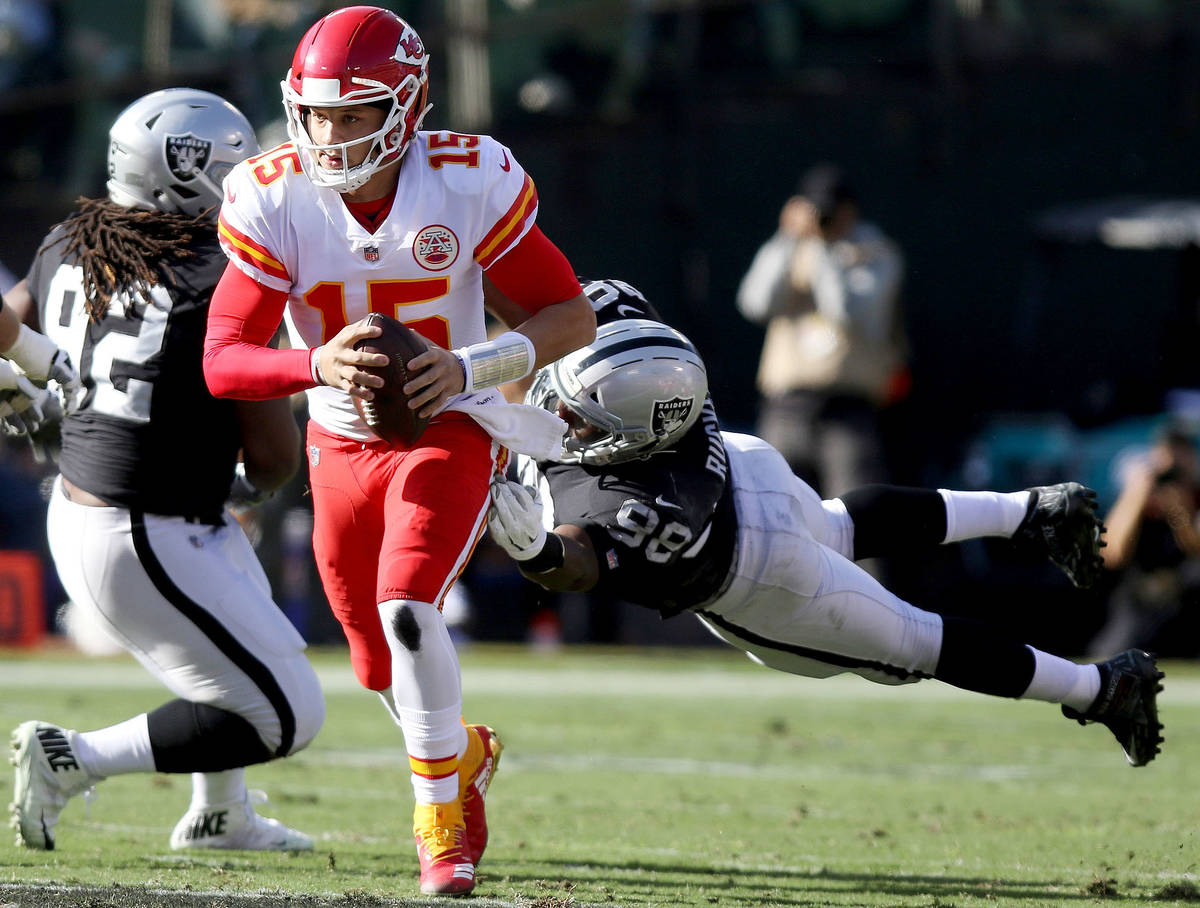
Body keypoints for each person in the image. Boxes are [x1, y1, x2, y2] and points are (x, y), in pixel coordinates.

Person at [201, 7, 596, 895]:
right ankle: (463, 758)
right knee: (374, 657)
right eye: (316, 113)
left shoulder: (466, 178)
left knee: (407, 604)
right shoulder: (274, 192)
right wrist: (315, 363)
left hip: (448, 423)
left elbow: (569, 316)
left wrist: (466, 367)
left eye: (353, 114)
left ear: (408, 105)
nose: (329, 135)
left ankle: (437, 826)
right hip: (338, 437)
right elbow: (223, 361)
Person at [488, 277, 1164, 771]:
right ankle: (1034, 512)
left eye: (581, 418)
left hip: (757, 573)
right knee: (840, 525)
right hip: (754, 472)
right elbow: (541, 293)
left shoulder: (644, 497)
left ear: (629, 437)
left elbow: (579, 564)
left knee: (912, 645)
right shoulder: (625, 332)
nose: (561, 417)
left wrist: (539, 552)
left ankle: (1103, 688)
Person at [6, 88, 324, 853]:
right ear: (188, 174)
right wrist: (255, 481)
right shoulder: (219, 277)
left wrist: (22, 378)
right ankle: (72, 758)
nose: (259, 180)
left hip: (99, 509)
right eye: (237, 166)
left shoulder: (68, 240)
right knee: (285, 713)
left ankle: (222, 814)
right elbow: (274, 458)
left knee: (237, 663)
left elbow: (10, 320)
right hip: (143, 530)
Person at [736, 163, 907, 497]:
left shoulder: (876, 253)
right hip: (785, 409)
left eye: (830, 210)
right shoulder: (790, 247)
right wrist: (786, 238)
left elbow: (845, 313)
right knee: (775, 514)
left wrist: (824, 249)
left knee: (857, 521)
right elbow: (754, 304)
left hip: (847, 411)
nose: (823, 219)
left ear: (850, 210)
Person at [1086, 422, 1200, 658]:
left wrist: (1179, 511)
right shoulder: (1136, 500)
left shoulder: (1194, 497)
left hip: (1186, 612)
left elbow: (1195, 548)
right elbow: (1112, 554)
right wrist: (1136, 495)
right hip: (1136, 611)